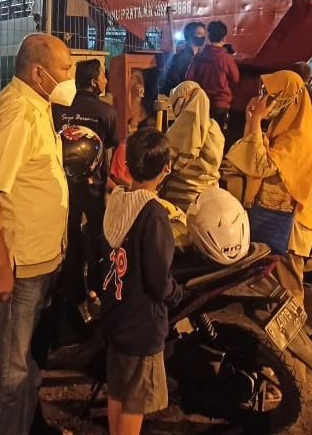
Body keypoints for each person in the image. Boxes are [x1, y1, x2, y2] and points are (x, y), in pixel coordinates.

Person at [0, 33, 73, 435]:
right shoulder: (19, 114)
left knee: (26, 360)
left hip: (41, 258)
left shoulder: (33, 101)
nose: (70, 77)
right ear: (38, 72)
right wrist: (0, 266)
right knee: (9, 374)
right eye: (65, 69)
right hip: (21, 266)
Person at [100, 128, 183, 435]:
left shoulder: (116, 201)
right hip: (141, 324)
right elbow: (159, 279)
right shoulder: (153, 213)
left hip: (115, 316)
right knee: (134, 402)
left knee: (117, 391)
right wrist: (177, 295)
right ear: (167, 168)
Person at [224, 70, 312, 303]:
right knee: (273, 292)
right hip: (273, 220)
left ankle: (298, 337)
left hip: (289, 227)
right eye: (265, 92)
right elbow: (250, 156)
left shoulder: (298, 137)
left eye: (273, 94)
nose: (267, 99)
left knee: (288, 292)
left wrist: (255, 121)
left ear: (289, 98)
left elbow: (259, 165)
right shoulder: (282, 128)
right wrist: (251, 122)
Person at [52, 58, 119, 309]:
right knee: (96, 235)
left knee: (68, 235)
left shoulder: (58, 109)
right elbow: (111, 144)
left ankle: (71, 287)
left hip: (64, 183)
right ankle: (95, 286)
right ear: (94, 82)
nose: (106, 80)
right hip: (94, 186)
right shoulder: (106, 112)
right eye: (103, 76)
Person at [160, 81, 224, 212]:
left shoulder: (177, 131)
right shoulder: (214, 127)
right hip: (211, 197)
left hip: (181, 197)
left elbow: (164, 166)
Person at [186, 20, 239, 131]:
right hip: (221, 104)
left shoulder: (198, 57)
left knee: (201, 134)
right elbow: (235, 79)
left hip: (202, 102)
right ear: (224, 37)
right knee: (217, 137)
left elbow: (189, 78)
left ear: (208, 36)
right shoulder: (226, 58)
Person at [160, 21, 205, 94]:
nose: (202, 37)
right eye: (199, 34)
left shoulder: (201, 56)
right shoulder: (180, 56)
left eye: (203, 34)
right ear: (190, 35)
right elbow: (174, 77)